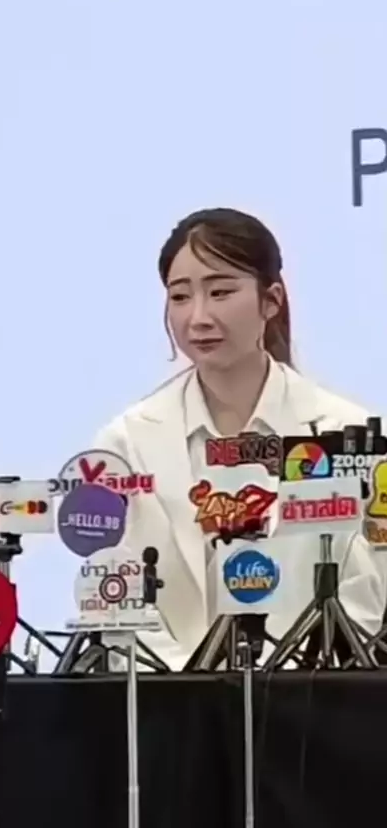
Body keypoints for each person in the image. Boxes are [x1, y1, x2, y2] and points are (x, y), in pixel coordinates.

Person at [94, 208, 387, 669]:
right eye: (180, 296)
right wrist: (191, 687)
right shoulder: (126, 442)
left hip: (311, 696)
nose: (198, 317)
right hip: (166, 698)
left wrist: (286, 684)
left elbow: (367, 592)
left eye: (221, 292)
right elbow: (114, 598)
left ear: (271, 300)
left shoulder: (346, 434)